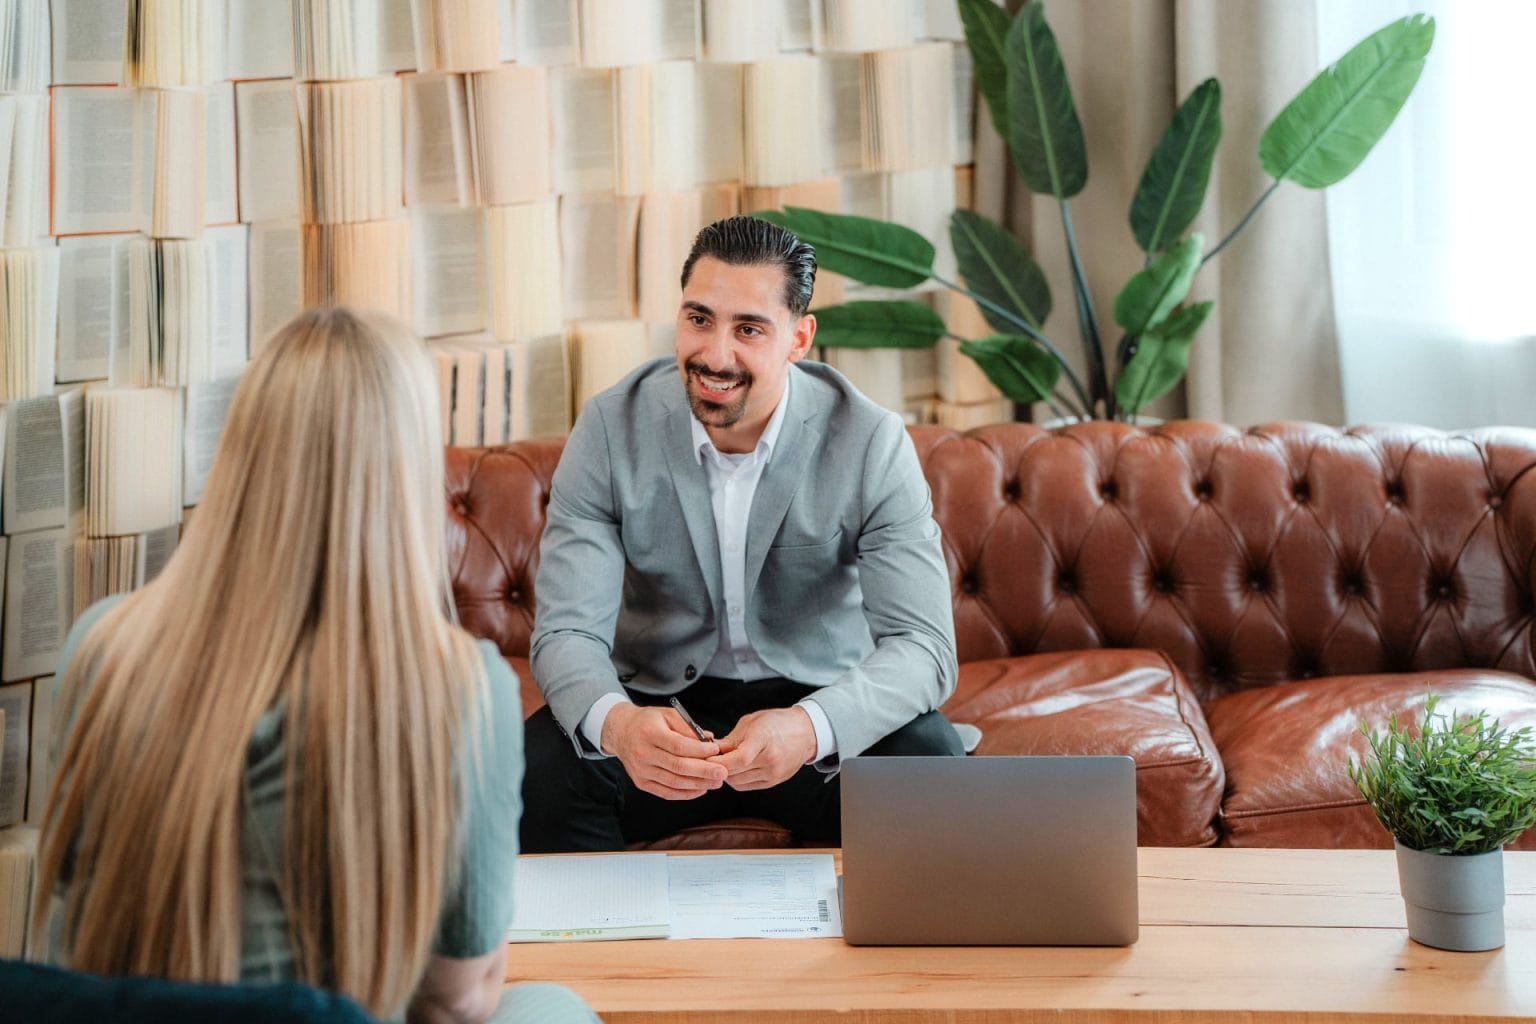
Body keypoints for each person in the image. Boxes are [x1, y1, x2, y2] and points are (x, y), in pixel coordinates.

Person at [32, 308, 598, 1024]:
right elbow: (458, 1001)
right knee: (550, 1007)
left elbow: (69, 936)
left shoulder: (100, 644)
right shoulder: (462, 688)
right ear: (407, 473)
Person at [523, 215, 963, 853]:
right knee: (537, 773)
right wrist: (618, 726)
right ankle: (608, 923)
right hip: (657, 706)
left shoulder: (870, 442)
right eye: (699, 319)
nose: (715, 355)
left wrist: (810, 728)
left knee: (928, 758)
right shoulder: (610, 429)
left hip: (814, 705)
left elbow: (924, 646)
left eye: (749, 329)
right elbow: (566, 632)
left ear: (798, 338)